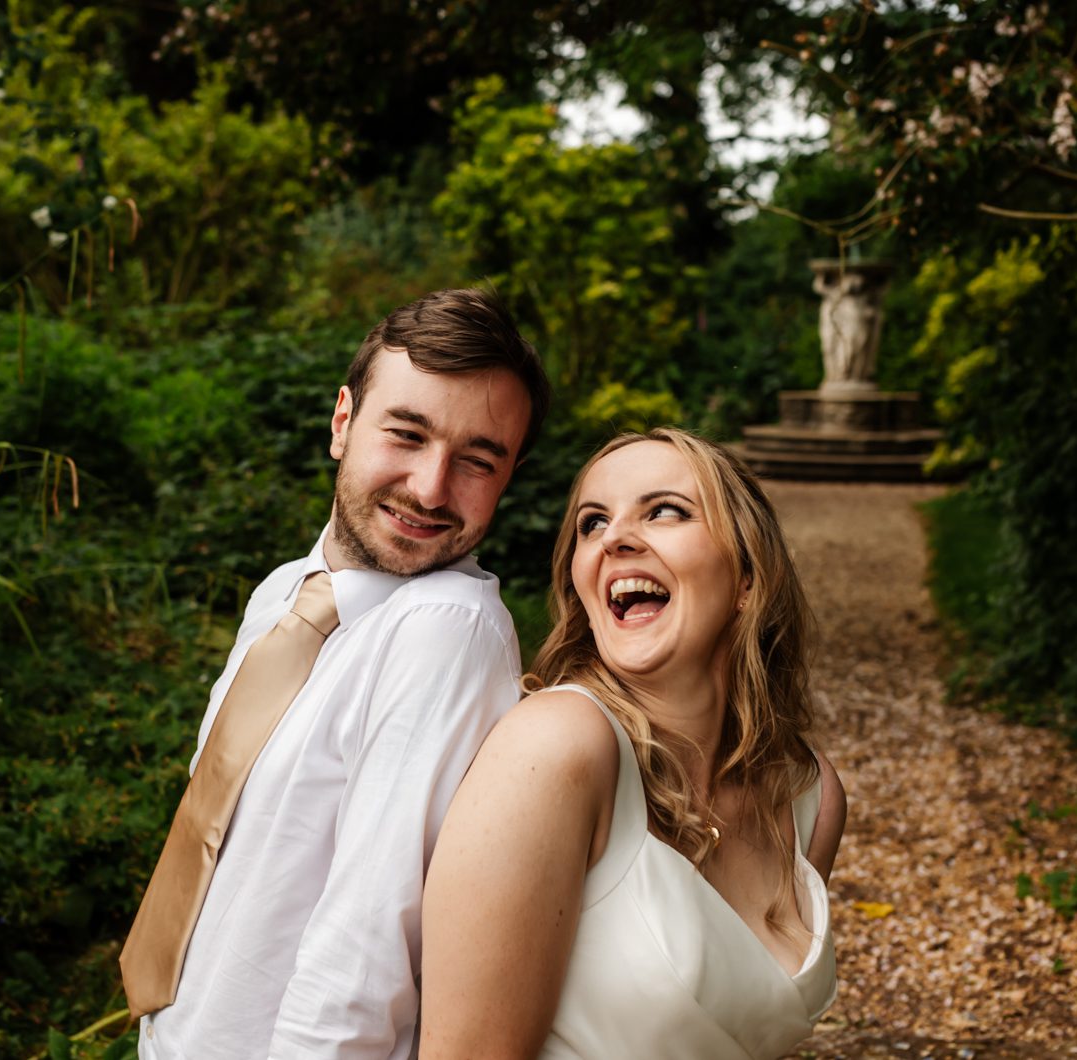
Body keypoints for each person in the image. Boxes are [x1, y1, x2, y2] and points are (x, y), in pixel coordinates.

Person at [120, 288, 550, 1059]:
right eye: (407, 435)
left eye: (477, 460)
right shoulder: (288, 594)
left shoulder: (447, 629)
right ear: (343, 421)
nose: (429, 487)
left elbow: (369, 944)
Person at [419, 427, 846, 1059]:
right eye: (592, 524)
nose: (614, 538)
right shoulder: (558, 747)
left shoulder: (808, 793)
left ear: (749, 578)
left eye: (665, 510)